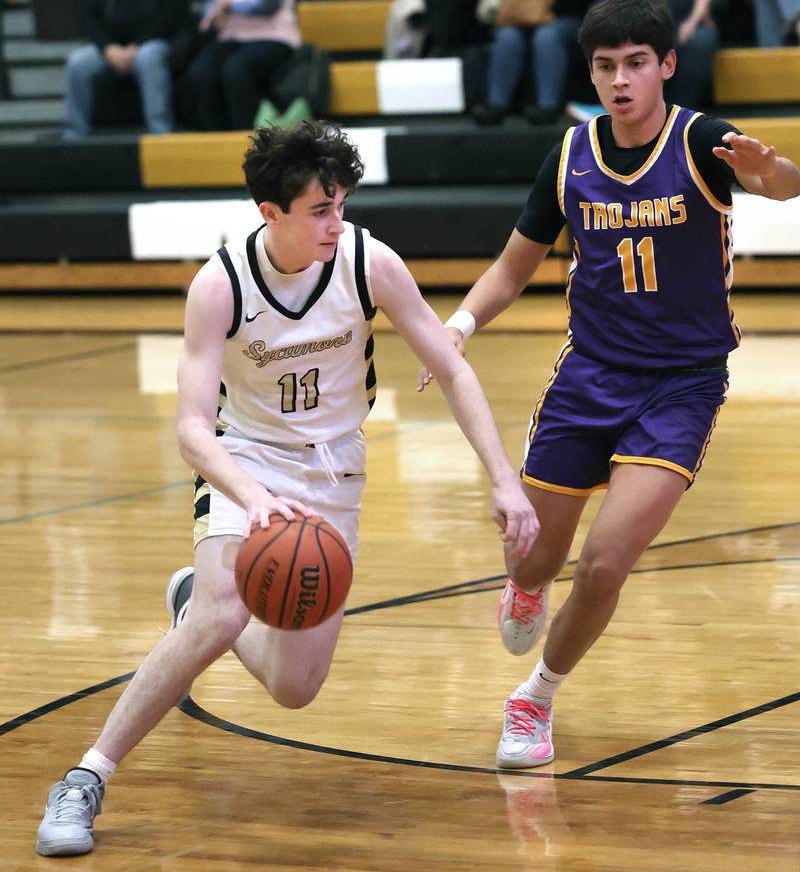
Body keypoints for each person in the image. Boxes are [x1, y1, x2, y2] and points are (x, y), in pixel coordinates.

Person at [34, 120, 539, 857]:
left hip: (334, 471)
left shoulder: (369, 260)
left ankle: (191, 594)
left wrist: (504, 480)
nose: (338, 222)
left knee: (296, 686)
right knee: (220, 612)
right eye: (320, 210)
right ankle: (86, 776)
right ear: (270, 213)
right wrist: (253, 493)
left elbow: (454, 369)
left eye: (342, 205)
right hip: (247, 459)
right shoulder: (220, 285)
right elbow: (193, 430)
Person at [420, 0, 800, 769]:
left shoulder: (701, 142)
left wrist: (775, 172)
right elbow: (511, 267)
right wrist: (454, 330)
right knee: (533, 553)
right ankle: (526, 586)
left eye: (636, 63)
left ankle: (535, 698)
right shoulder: (568, 156)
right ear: (590, 75)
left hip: (683, 386)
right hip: (587, 377)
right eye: (604, 67)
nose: (621, 79)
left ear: (667, 65)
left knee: (606, 560)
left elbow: (777, 183)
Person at [62, 0, 190, 139]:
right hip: (112, 47)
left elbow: (173, 14)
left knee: (147, 57)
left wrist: (137, 46)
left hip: (156, 41)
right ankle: (74, 134)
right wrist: (107, 48)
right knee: (77, 63)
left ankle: (160, 132)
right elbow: (88, 17)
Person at [184, 0, 303, 131]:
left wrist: (230, 6)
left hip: (273, 37)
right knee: (200, 72)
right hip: (230, 38)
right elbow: (211, 6)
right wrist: (211, 16)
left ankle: (245, 134)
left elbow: (268, 4)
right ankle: (216, 137)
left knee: (236, 70)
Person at [473, 0, 592, 126]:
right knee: (507, 37)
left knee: (547, 37)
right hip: (524, 15)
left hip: (569, 15)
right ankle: (496, 105)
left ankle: (547, 106)